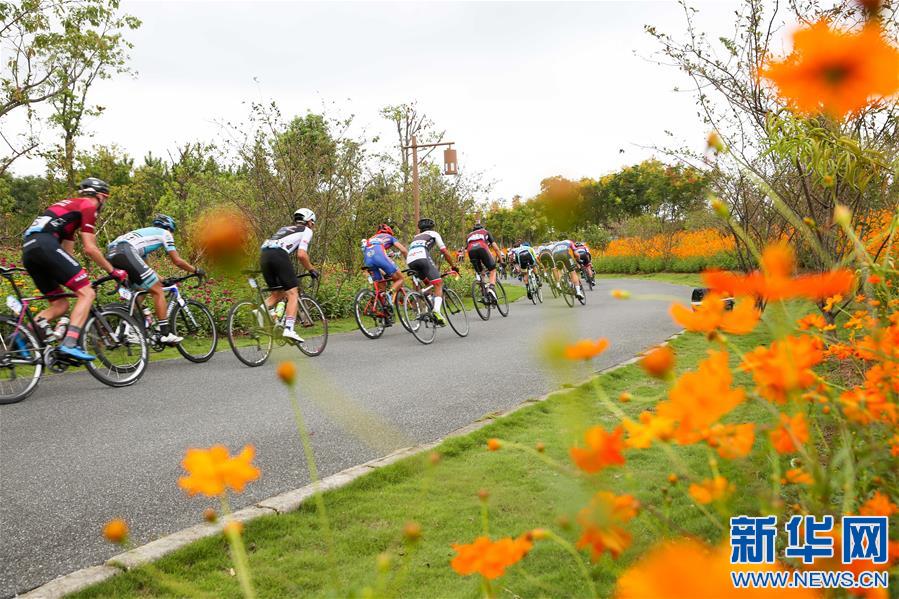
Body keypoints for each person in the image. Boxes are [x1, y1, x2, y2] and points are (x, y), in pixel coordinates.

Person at [21, 177, 128, 361]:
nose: (104, 203)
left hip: (29, 250)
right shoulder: (89, 205)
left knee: (60, 304)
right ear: (100, 196)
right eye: (106, 199)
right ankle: (69, 343)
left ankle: (20, 339)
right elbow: (90, 248)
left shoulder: (72, 208)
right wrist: (113, 271)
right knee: (87, 294)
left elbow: (67, 255)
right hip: (45, 244)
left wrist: (79, 276)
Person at [106, 214, 205, 345]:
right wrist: (195, 270)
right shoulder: (165, 233)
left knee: (140, 289)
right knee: (157, 290)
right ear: (169, 228)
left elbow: (146, 269)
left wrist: (163, 279)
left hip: (111, 254)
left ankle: (124, 329)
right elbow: (177, 261)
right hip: (126, 251)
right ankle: (165, 333)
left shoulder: (143, 236)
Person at [259, 208, 319, 343]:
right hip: (278, 255)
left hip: (264, 255)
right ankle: (289, 329)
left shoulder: (284, 228)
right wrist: (311, 269)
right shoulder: (306, 230)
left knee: (277, 293)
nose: (313, 226)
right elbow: (301, 255)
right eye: (313, 223)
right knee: (293, 293)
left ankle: (259, 311)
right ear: (308, 221)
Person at [406, 217, 461, 326]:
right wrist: (453, 266)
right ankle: (436, 311)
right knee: (438, 283)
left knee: (428, 284)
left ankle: (428, 304)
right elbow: (444, 252)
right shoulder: (434, 234)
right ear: (431, 227)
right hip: (422, 257)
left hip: (410, 259)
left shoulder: (415, 237)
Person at [361, 223, 408, 325]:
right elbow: (403, 250)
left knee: (381, 290)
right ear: (389, 231)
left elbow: (373, 254)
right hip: (379, 257)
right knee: (400, 279)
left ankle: (384, 314)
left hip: (367, 260)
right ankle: (389, 294)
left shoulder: (372, 238)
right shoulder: (389, 237)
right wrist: (409, 263)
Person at [465, 222, 502, 299]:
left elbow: (468, 248)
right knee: (493, 270)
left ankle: (484, 294)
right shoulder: (485, 232)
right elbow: (496, 248)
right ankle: (491, 288)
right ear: (482, 228)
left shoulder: (468, 235)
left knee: (481, 273)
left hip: (471, 251)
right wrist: (501, 261)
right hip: (482, 248)